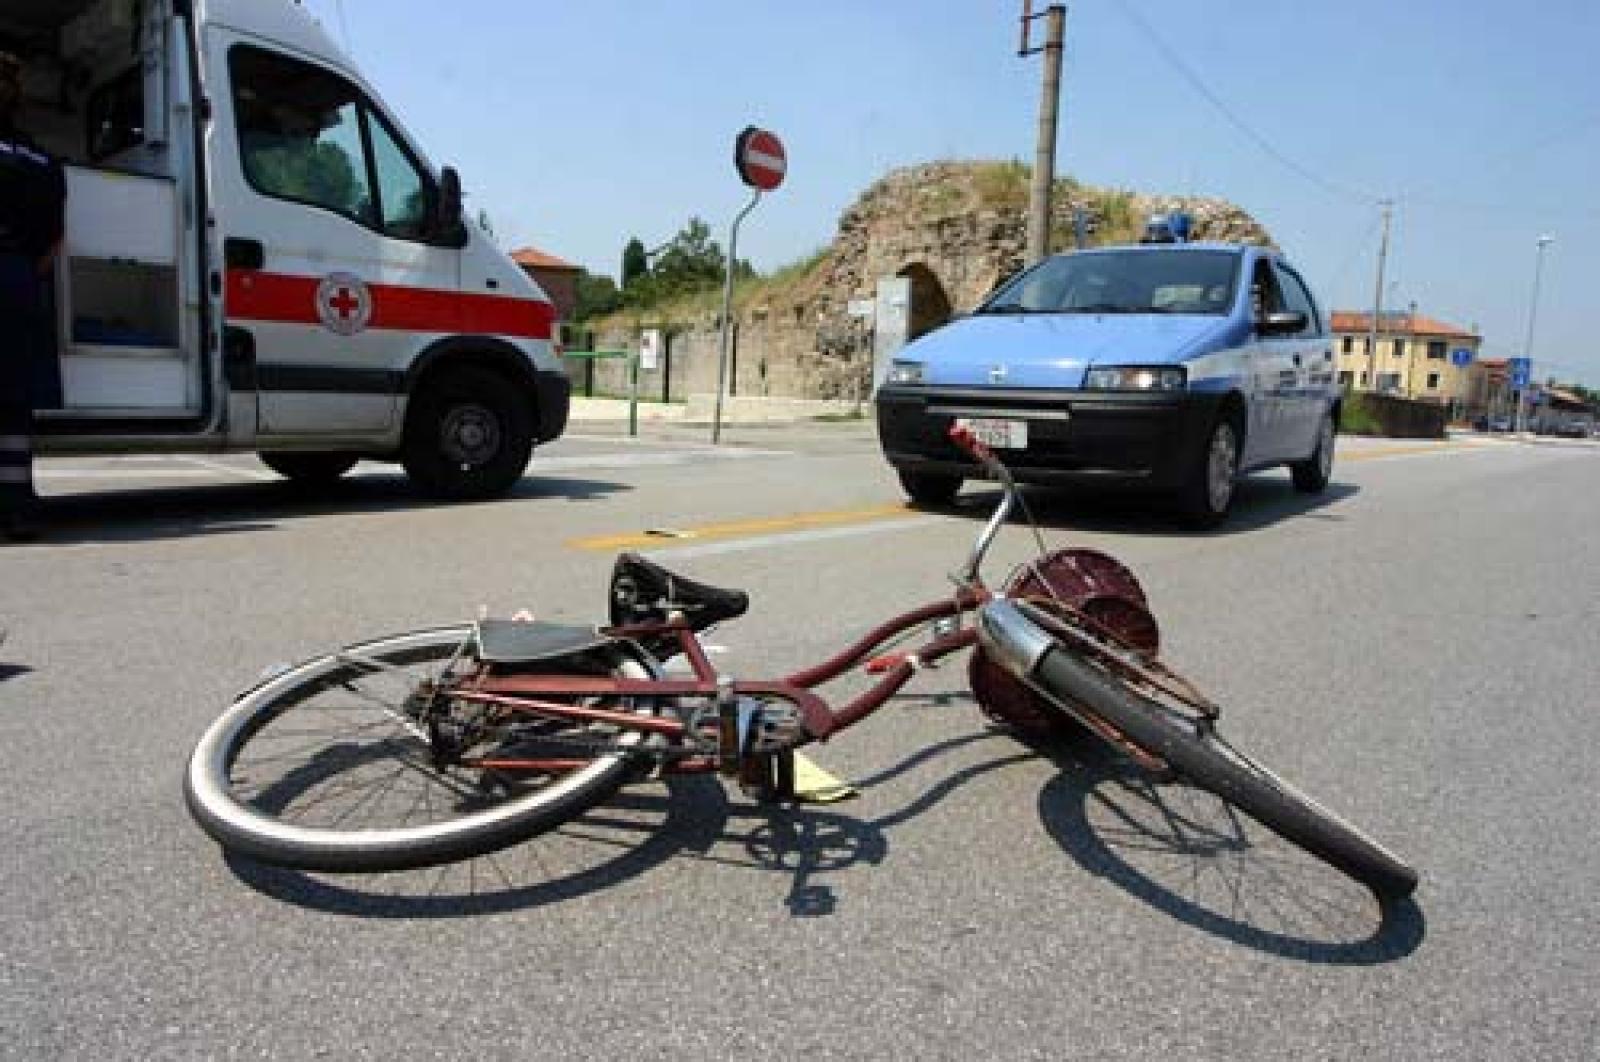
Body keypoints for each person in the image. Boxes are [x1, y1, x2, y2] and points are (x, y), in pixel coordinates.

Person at [0, 49, 66, 543]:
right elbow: (54, 244)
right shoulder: (43, 162)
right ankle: (18, 505)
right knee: (14, 400)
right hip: (20, 276)